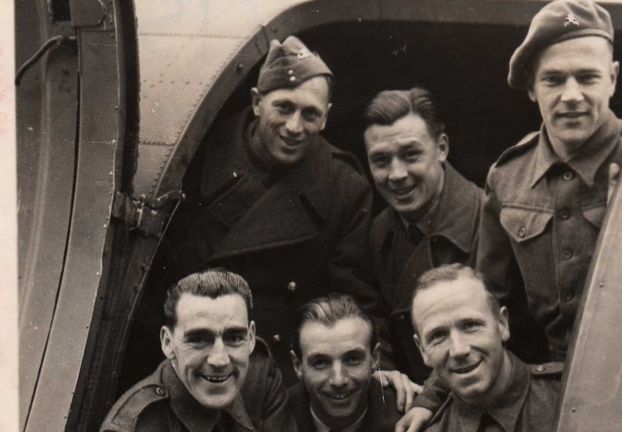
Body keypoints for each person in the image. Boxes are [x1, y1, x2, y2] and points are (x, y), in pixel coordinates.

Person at [147, 35, 380, 383]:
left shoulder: (344, 188)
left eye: (310, 114)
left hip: (275, 376)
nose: (294, 127)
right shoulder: (194, 154)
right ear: (257, 102)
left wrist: (382, 366)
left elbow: (352, 299)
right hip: (191, 361)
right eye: (284, 107)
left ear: (326, 118)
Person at [478, 0, 622, 363]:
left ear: (612, 78)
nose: (571, 96)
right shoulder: (507, 177)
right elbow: (487, 301)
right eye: (553, 79)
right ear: (533, 88)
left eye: (587, 77)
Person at [363, 87, 482, 383]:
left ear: (441, 148)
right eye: (381, 161)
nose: (397, 174)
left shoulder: (489, 220)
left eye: (411, 154)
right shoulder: (380, 231)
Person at [100, 269, 293, 432]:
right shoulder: (132, 426)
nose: (219, 360)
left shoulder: (260, 375)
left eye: (234, 338)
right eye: (199, 340)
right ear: (168, 343)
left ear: (251, 338)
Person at [411, 264, 561, 432]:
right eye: (438, 336)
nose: (459, 349)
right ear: (422, 350)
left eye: (470, 325)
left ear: (502, 324)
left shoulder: (567, 395)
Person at [288, 294, 402, 432]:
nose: (339, 380)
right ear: (297, 365)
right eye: (320, 363)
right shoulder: (271, 417)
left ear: (375, 358)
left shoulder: (408, 421)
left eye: (352, 360)